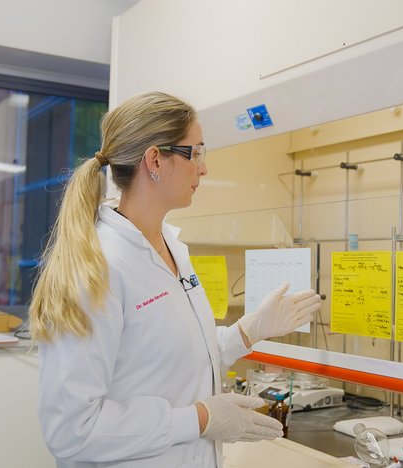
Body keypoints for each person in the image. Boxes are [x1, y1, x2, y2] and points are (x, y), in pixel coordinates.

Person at [28, 92, 322, 468]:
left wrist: (244, 332)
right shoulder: (97, 265)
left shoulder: (172, 248)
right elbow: (73, 430)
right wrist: (201, 418)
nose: (204, 169)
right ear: (154, 160)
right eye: (195, 153)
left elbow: (165, 360)